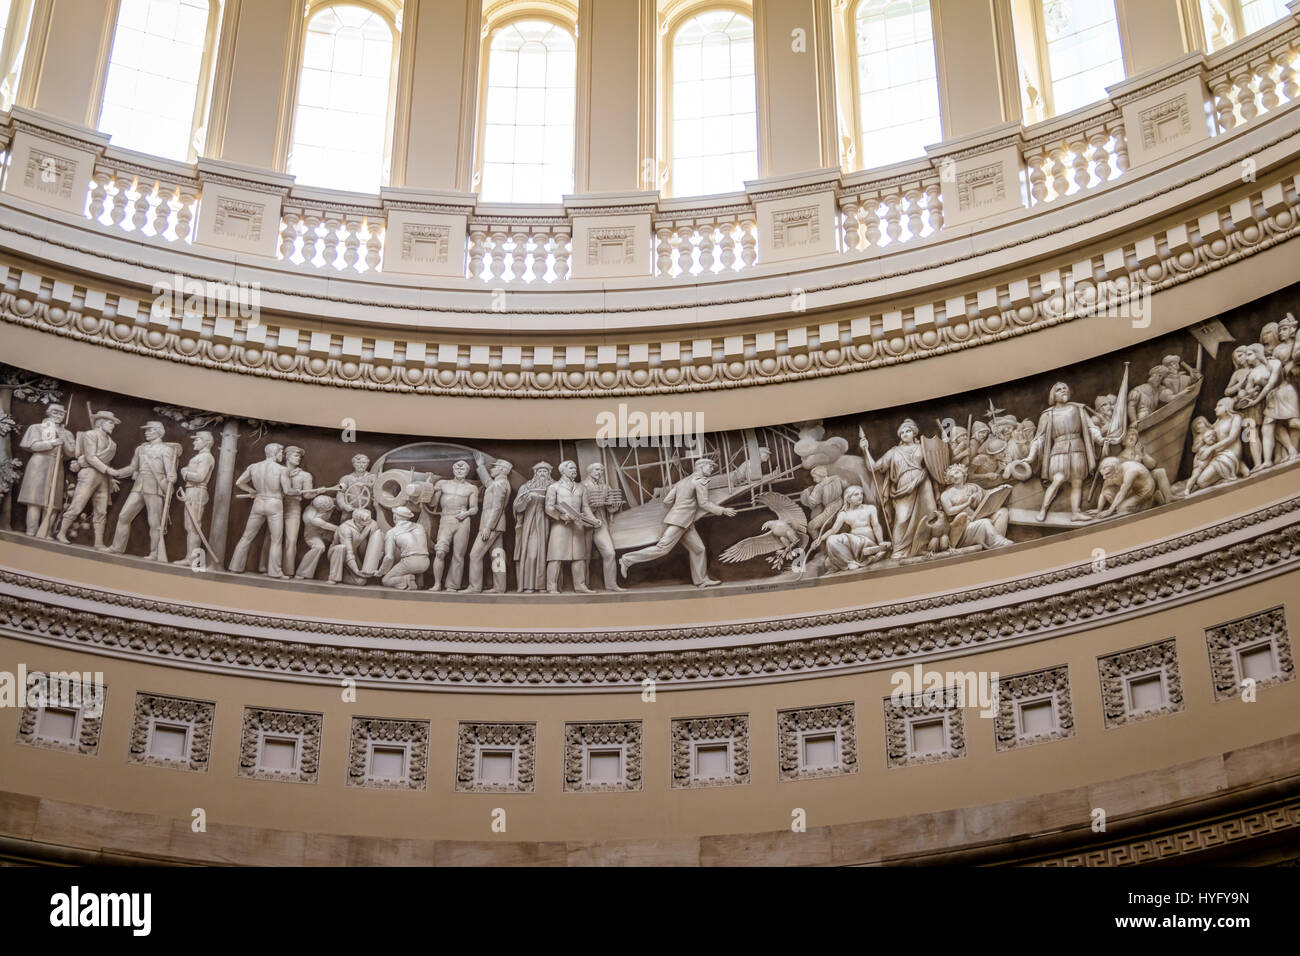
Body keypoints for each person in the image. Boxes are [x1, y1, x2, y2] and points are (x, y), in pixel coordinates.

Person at [618, 457, 738, 588]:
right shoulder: (700, 481)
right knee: (662, 548)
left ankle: (701, 580)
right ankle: (627, 559)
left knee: (698, 549)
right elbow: (704, 503)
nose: (712, 469)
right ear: (701, 467)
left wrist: (681, 506)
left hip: (683, 521)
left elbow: (667, 501)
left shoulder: (682, 482)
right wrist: (723, 510)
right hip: (680, 521)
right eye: (710, 466)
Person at [1012, 381, 1105, 522]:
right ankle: (1043, 510)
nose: (1063, 391)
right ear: (1053, 395)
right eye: (1058, 390)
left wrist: (1100, 439)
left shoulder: (1078, 409)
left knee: (1077, 482)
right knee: (1058, 479)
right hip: (1059, 451)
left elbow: (1091, 428)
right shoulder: (1048, 414)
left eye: (1065, 388)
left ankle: (1076, 512)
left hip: (1077, 449)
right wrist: (1031, 457)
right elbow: (1039, 438)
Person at [859, 419, 937, 558]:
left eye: (908, 431)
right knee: (902, 518)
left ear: (914, 433)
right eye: (902, 432)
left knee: (928, 513)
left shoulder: (923, 447)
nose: (904, 434)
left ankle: (923, 546)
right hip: (903, 484)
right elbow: (874, 467)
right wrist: (865, 451)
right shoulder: (894, 451)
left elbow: (935, 462)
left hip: (923, 482)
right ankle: (900, 550)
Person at [107, 421, 180, 560]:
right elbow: (132, 468)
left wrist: (172, 477)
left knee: (154, 523)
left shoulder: (166, 450)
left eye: (150, 430)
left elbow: (172, 474)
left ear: (159, 431)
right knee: (123, 516)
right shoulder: (141, 449)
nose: (146, 432)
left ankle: (154, 553)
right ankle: (117, 547)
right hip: (139, 485)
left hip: (155, 488)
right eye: (146, 430)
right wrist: (116, 473)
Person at [57, 409, 121, 550]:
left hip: (103, 477)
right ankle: (61, 533)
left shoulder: (113, 444)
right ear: (101, 423)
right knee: (77, 505)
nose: (113, 426)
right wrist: (108, 470)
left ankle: (98, 543)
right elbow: (91, 457)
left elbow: (106, 462)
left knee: (101, 511)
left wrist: (110, 478)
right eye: (110, 423)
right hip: (89, 474)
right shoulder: (90, 435)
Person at [227, 443, 294, 577]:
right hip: (274, 503)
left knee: (246, 537)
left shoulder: (254, 467)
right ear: (275, 453)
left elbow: (239, 482)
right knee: (276, 540)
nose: (282, 455)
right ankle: (275, 572)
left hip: (258, 502)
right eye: (281, 452)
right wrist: (297, 491)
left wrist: (252, 490)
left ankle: (235, 567)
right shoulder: (282, 469)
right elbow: (288, 491)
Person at [17, 403, 74, 537]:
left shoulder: (67, 433)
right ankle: (31, 531)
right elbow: (33, 445)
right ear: (48, 413)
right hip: (39, 464)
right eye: (55, 413)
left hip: (56, 465)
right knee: (34, 499)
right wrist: (52, 443)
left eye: (61, 414)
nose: (58, 416)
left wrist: (64, 440)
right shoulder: (37, 428)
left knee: (53, 502)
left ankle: (46, 533)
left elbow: (71, 453)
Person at [545, 460, 599, 593]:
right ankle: (551, 587)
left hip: (578, 526)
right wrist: (562, 516)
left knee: (579, 557)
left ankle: (580, 585)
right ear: (562, 470)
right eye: (571, 468)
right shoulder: (554, 487)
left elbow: (585, 507)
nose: (574, 470)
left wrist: (593, 519)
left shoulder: (581, 487)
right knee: (555, 557)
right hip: (560, 526)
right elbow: (548, 507)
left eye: (575, 468)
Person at [426, 459, 479, 592]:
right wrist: (432, 490)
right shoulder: (443, 484)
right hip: (446, 519)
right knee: (440, 552)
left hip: (463, 521)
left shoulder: (471, 488)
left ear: (467, 472)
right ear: (453, 470)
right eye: (457, 468)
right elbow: (432, 504)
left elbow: (474, 508)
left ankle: (452, 585)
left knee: (458, 555)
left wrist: (466, 513)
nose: (460, 471)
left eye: (463, 469)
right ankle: (437, 584)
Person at [813, 485, 888, 572]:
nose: (860, 496)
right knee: (831, 539)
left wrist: (881, 542)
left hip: (867, 542)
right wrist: (820, 538)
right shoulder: (844, 514)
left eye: (861, 494)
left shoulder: (870, 509)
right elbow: (833, 530)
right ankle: (851, 562)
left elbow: (876, 526)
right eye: (856, 494)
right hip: (853, 545)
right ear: (848, 499)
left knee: (834, 554)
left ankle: (850, 562)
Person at [466, 456, 513, 594]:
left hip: (491, 525)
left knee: (475, 555)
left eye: (495, 467)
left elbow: (497, 508)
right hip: (498, 525)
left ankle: (474, 587)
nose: (492, 469)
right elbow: (488, 482)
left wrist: (488, 527)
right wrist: (480, 465)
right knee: (497, 555)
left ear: (503, 470)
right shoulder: (501, 483)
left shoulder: (499, 485)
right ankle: (499, 587)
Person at [937, 463, 1011, 549]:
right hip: (963, 529)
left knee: (1003, 512)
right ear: (949, 480)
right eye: (952, 476)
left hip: (977, 518)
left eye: (957, 473)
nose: (955, 477)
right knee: (984, 523)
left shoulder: (972, 487)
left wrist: (1001, 488)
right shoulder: (946, 494)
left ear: (963, 473)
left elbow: (987, 495)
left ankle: (997, 542)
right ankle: (998, 542)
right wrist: (967, 503)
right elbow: (949, 511)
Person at [172, 431, 216, 565]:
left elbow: (199, 477)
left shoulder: (206, 457)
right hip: (192, 491)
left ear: (206, 442)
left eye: (197, 440)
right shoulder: (200, 457)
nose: (194, 442)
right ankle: (191, 558)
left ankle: (193, 560)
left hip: (197, 491)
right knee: (190, 526)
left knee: (193, 527)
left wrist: (185, 473)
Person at [1186, 398, 1247, 495]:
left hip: (1230, 453)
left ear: (1227, 406)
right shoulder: (1218, 421)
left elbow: (1232, 438)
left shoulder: (1235, 418)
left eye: (1219, 406)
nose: (1215, 409)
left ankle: (1236, 466)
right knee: (1201, 482)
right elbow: (1207, 432)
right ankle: (1230, 473)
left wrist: (1211, 448)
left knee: (1201, 482)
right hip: (1218, 455)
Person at [582, 462, 625, 592]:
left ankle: (611, 584)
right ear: (589, 471)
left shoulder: (606, 486)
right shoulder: (582, 485)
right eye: (596, 469)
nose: (599, 472)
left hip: (601, 524)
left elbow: (610, 509)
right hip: (584, 524)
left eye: (601, 470)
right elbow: (578, 505)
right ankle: (583, 585)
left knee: (610, 553)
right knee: (584, 557)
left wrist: (615, 506)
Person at [512, 462, 552, 593]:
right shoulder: (526, 487)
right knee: (532, 553)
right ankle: (529, 585)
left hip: (550, 523)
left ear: (549, 473)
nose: (542, 474)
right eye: (540, 471)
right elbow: (517, 507)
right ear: (535, 473)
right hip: (531, 523)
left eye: (545, 471)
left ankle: (545, 586)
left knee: (549, 555)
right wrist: (525, 500)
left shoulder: (554, 486)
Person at [379, 505, 429, 590]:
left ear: (395, 517)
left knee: (386, 580)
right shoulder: (420, 527)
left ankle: (406, 579)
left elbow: (389, 557)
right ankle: (419, 583)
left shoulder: (392, 532)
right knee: (416, 555)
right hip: (425, 562)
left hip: (410, 563)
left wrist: (382, 571)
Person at [328, 508, 383, 584]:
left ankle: (345, 573)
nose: (370, 521)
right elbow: (348, 552)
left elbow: (375, 542)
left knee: (361, 582)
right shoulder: (345, 529)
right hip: (339, 555)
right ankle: (334, 577)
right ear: (358, 520)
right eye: (366, 519)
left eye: (369, 518)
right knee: (341, 548)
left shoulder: (371, 524)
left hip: (354, 554)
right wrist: (356, 571)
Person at [294, 495, 338, 579]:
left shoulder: (324, 501)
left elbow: (336, 501)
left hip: (326, 532)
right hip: (313, 535)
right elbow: (326, 525)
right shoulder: (311, 517)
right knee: (319, 547)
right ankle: (302, 572)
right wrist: (341, 529)